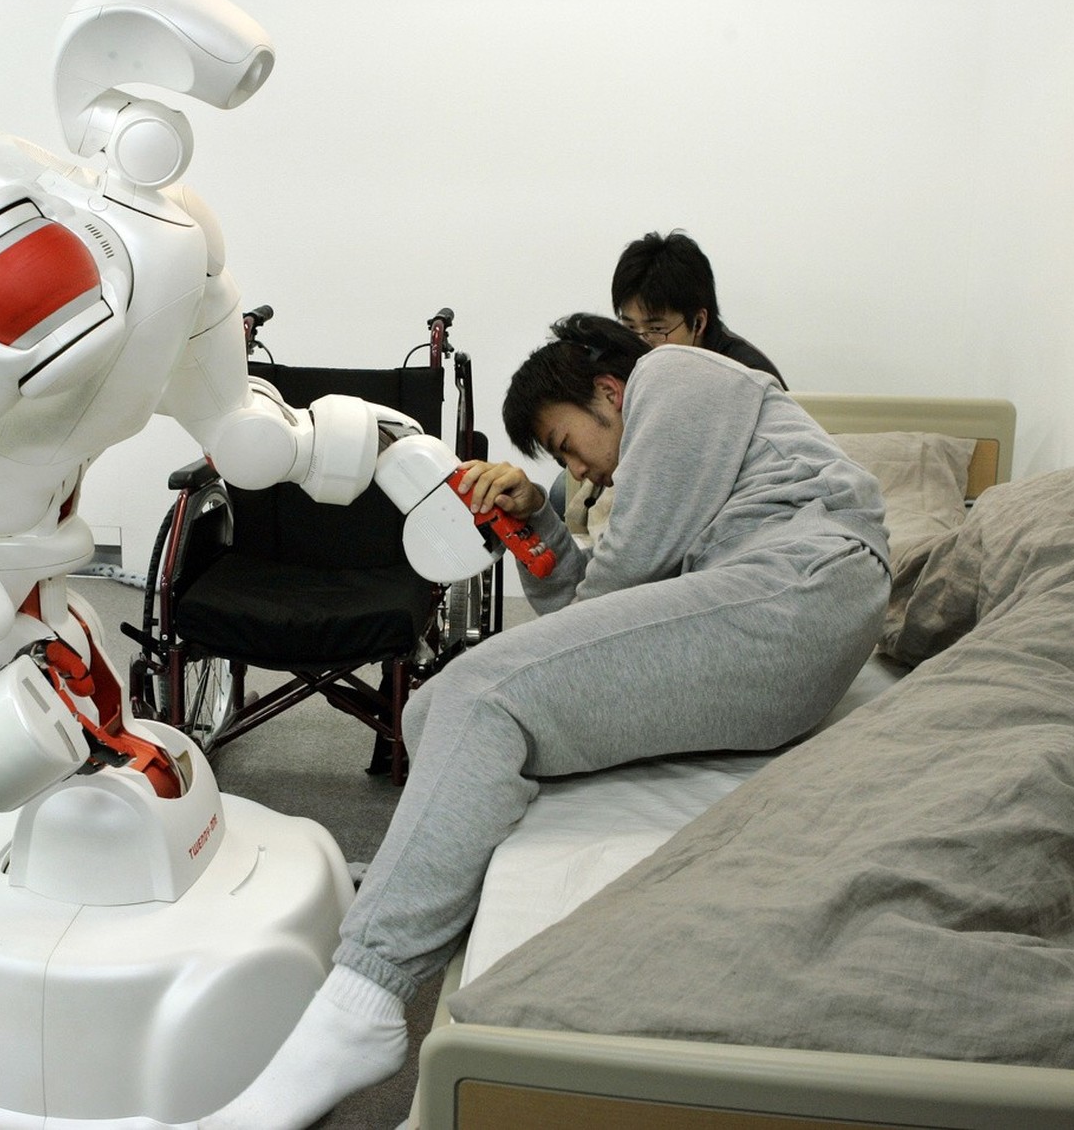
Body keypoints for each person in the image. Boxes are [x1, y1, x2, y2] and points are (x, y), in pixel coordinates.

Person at [199, 314, 889, 1130]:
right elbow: (595, 613)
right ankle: (400, 926)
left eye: (568, 446)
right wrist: (537, 521)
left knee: (470, 698)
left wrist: (554, 583)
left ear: (609, 391)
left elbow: (619, 590)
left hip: (797, 591)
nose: (580, 470)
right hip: (785, 616)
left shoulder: (674, 376)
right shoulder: (705, 457)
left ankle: (364, 998)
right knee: (448, 714)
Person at [612, 229, 787, 389]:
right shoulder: (623, 363)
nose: (641, 343)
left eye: (657, 329)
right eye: (630, 328)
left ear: (698, 322)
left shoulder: (750, 378)